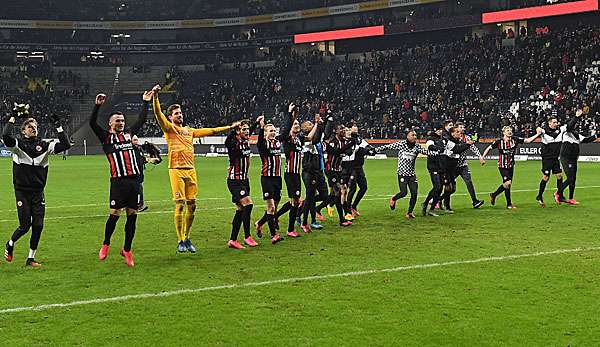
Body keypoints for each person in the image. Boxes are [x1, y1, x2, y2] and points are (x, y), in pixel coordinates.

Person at [151, 84, 235, 253]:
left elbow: (211, 131)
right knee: (180, 205)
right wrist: (155, 97)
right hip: (176, 169)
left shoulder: (190, 131)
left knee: (192, 205)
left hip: (191, 170)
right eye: (176, 113)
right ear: (171, 117)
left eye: (180, 113)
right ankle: (180, 239)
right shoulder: (169, 129)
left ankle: (187, 237)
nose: (179, 115)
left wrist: (230, 127)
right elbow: (158, 114)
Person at [3, 107, 71, 267]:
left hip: (38, 192)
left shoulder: (45, 145)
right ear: (24, 131)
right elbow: (6, 136)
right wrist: (13, 116)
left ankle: (30, 259)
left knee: (38, 225)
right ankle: (10, 243)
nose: (33, 128)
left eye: (35, 126)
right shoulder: (18, 146)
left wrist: (58, 125)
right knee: (25, 226)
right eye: (30, 126)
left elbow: (66, 144)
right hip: (22, 192)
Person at [90, 92, 150, 267]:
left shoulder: (129, 134)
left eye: (122, 120)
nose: (121, 123)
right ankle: (106, 244)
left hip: (134, 182)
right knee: (114, 214)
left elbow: (141, 119)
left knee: (132, 216)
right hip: (118, 182)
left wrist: (145, 102)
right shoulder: (106, 138)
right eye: (117, 120)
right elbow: (92, 123)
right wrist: (97, 106)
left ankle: (127, 250)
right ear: (110, 123)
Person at [374, 129, 434, 219]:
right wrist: (375, 150)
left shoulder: (417, 147)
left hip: (412, 174)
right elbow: (388, 146)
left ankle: (409, 212)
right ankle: (394, 198)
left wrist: (437, 153)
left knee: (414, 193)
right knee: (404, 192)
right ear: (407, 136)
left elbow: (427, 152)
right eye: (412, 135)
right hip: (402, 173)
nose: (415, 137)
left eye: (415, 135)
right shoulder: (401, 144)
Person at [481, 126, 542, 209]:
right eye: (507, 130)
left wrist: (537, 134)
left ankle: (498, 197)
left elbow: (527, 140)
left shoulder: (515, 139)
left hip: (511, 165)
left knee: (508, 185)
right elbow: (489, 148)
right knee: (507, 183)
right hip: (502, 166)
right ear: (504, 132)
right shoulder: (499, 142)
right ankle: (506, 202)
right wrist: (482, 157)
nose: (510, 132)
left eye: (510, 130)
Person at [225, 119, 257, 249]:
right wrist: (233, 129)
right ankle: (247, 236)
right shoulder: (234, 143)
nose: (247, 131)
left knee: (240, 209)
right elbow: (227, 142)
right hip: (235, 180)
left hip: (244, 180)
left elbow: (250, 131)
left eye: (248, 129)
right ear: (238, 131)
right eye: (244, 129)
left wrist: (256, 123)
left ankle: (233, 240)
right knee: (248, 204)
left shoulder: (246, 143)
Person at [556, 109, 596, 204]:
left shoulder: (577, 135)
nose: (576, 125)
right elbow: (569, 127)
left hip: (573, 158)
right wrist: (577, 116)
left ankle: (570, 198)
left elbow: (586, 140)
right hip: (566, 157)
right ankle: (558, 193)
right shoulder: (565, 129)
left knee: (573, 179)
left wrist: (596, 135)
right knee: (570, 177)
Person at [254, 115, 283, 244]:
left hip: (277, 178)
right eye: (270, 131)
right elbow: (259, 141)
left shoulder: (277, 142)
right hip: (267, 178)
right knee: (270, 207)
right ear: (265, 133)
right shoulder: (263, 144)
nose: (273, 133)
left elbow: (287, 131)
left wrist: (291, 115)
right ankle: (274, 235)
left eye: (274, 131)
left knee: (274, 208)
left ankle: (259, 223)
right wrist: (261, 127)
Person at [300, 114, 328, 230]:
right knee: (311, 196)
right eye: (309, 124)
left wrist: (323, 122)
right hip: (309, 172)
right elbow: (314, 139)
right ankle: (308, 222)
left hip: (318, 171)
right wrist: (318, 124)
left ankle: (300, 210)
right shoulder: (304, 138)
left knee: (324, 195)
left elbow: (322, 134)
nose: (311, 125)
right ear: (304, 129)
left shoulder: (316, 137)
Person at [345, 123, 375, 217]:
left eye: (356, 129)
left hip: (359, 167)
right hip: (351, 167)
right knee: (352, 189)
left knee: (364, 187)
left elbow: (367, 147)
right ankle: (348, 210)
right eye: (353, 129)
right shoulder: (347, 140)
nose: (355, 130)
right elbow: (357, 149)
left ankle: (353, 206)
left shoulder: (359, 139)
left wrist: (371, 150)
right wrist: (365, 150)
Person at [535, 116, 565, 207]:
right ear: (549, 123)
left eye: (557, 122)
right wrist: (537, 128)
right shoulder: (544, 131)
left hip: (555, 158)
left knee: (559, 176)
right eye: (554, 122)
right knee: (546, 177)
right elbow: (538, 128)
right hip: (547, 159)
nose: (556, 124)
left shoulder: (560, 130)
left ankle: (560, 195)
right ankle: (539, 196)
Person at [455, 121, 485, 208]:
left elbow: (473, 147)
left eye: (463, 127)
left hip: (463, 165)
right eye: (460, 127)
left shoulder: (467, 138)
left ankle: (475, 201)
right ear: (456, 128)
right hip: (453, 165)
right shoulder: (452, 137)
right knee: (448, 185)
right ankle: (436, 200)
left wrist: (480, 156)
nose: (462, 128)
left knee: (469, 181)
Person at [421, 123, 446, 217]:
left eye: (441, 129)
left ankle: (430, 208)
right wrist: (440, 149)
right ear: (435, 130)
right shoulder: (430, 139)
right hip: (433, 166)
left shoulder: (441, 139)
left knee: (440, 188)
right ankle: (426, 203)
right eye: (439, 129)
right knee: (437, 187)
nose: (441, 131)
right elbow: (430, 147)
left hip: (441, 165)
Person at [132, 135, 161, 212]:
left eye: (137, 140)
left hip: (139, 172)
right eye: (134, 140)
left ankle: (128, 205)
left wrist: (151, 160)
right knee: (138, 189)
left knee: (133, 189)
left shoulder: (139, 149)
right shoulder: (132, 150)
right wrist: (150, 160)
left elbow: (141, 159)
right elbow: (138, 160)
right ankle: (139, 206)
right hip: (134, 173)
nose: (136, 141)